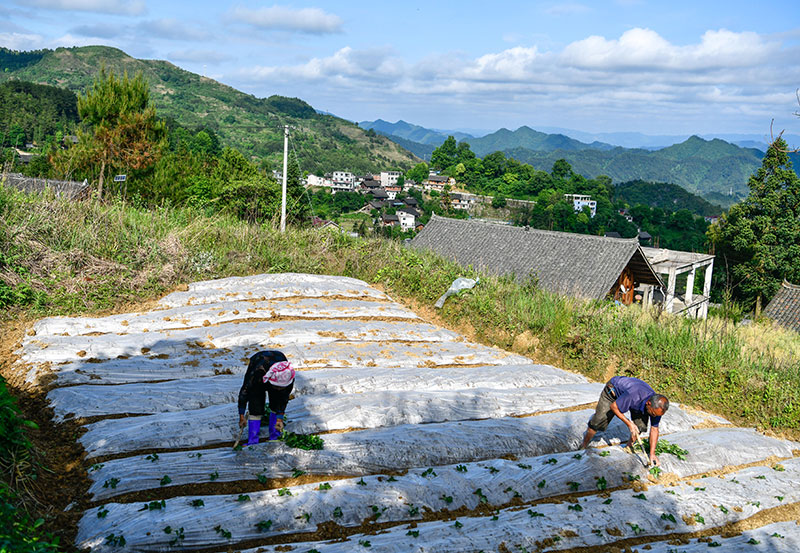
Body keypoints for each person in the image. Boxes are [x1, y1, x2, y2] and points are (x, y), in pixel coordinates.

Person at [580, 376, 669, 466]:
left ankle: (629, 446)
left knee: (640, 427)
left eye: (656, 415)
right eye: (653, 414)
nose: (654, 416)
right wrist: (629, 423)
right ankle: (584, 445)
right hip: (612, 391)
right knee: (597, 422)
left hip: (634, 400)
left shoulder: (657, 409)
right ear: (648, 403)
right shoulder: (634, 395)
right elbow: (614, 407)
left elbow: (654, 429)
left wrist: (652, 453)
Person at [237, 350, 295, 445]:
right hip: (259, 371)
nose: (279, 389)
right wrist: (241, 415)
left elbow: (283, 399)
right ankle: (253, 440)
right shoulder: (256, 373)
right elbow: (245, 391)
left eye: (281, 387)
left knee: (276, 402)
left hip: (276, 363)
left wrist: (280, 418)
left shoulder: (288, 376)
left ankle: (275, 436)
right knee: (256, 404)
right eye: (277, 387)